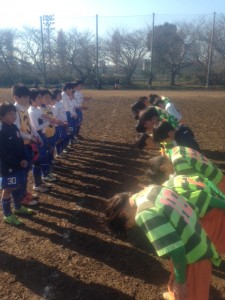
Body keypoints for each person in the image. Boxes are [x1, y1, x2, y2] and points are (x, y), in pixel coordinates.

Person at [105, 185, 221, 300]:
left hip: (193, 256)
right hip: (197, 237)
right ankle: (174, 295)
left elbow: (177, 250)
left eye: (130, 225)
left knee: (189, 295)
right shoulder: (152, 188)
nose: (134, 226)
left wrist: (181, 283)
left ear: (124, 213)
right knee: (176, 279)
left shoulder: (144, 213)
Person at [0, 102, 34, 225]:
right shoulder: (2, 131)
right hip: (8, 167)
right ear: (1, 117)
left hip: (18, 164)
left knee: (17, 186)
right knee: (8, 189)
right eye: (10, 114)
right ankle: (8, 214)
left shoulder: (14, 127)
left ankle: (18, 208)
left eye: (14, 113)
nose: (13, 116)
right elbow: (3, 154)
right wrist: (18, 162)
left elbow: (20, 145)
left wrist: (23, 158)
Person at [146, 146, 225, 195]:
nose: (171, 174)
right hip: (216, 174)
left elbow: (197, 183)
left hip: (216, 184)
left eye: (167, 175)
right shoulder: (176, 149)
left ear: (162, 168)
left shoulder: (178, 162)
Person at [12, 84, 40, 206]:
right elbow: (17, 130)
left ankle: (24, 193)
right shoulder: (14, 111)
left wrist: (36, 136)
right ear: (16, 97)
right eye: (23, 97)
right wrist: (31, 137)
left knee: (26, 171)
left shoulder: (24, 109)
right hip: (21, 146)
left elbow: (29, 126)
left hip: (28, 144)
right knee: (22, 174)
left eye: (27, 97)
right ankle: (21, 198)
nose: (26, 99)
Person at [135, 107, 200, 152]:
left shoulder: (179, 135)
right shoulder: (167, 127)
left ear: (154, 119)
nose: (145, 126)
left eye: (145, 123)